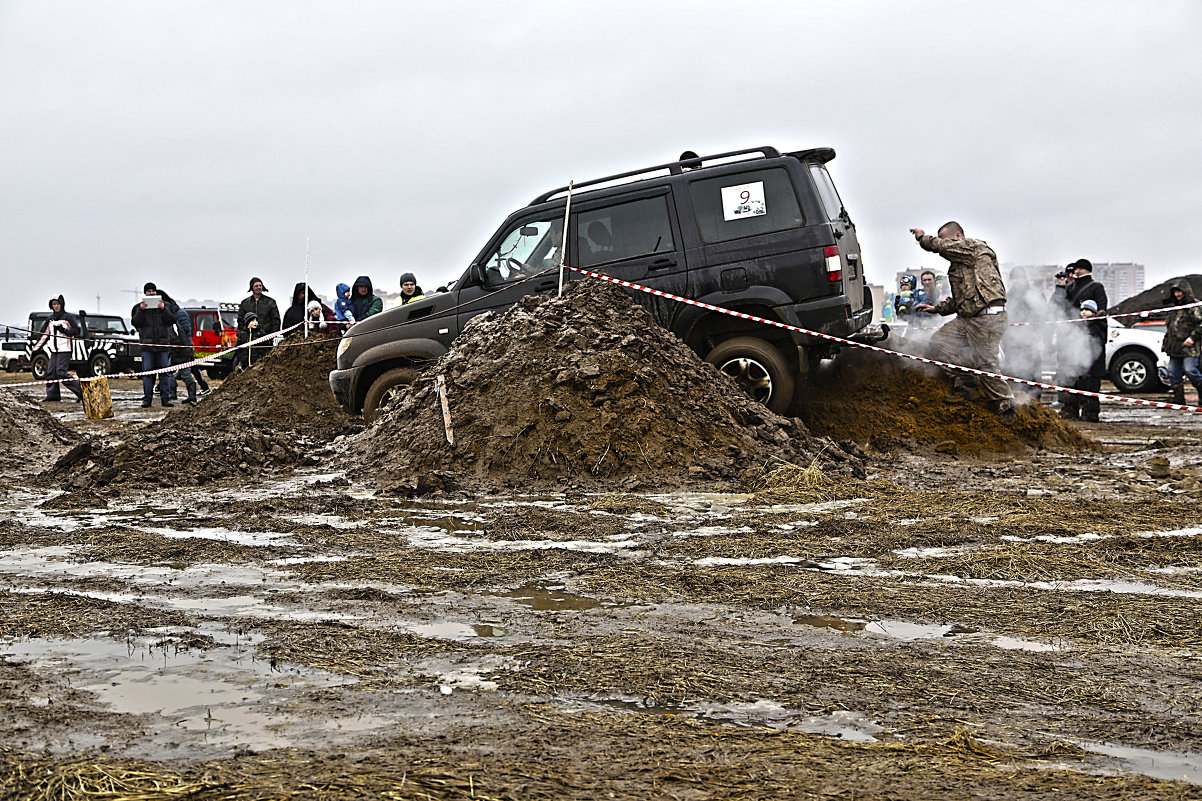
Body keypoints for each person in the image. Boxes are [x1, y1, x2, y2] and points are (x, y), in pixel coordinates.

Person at [910, 221, 1016, 422]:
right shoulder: (959, 267)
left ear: (958, 236)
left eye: (946, 240)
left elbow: (943, 247)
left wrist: (923, 239)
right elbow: (960, 300)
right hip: (968, 319)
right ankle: (967, 384)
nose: (944, 246)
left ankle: (1005, 406)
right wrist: (937, 309)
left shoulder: (975, 247)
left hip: (987, 318)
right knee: (939, 343)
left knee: (986, 364)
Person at [1053, 259, 1108, 421]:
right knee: (1070, 378)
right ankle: (1069, 410)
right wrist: (1060, 286)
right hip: (1070, 340)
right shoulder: (1069, 288)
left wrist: (1090, 319)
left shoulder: (1096, 288)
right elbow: (1056, 306)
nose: (1077, 272)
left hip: (1091, 341)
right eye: (1075, 269)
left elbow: (1102, 312)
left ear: (1087, 270)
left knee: (1089, 379)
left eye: (1080, 269)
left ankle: (1090, 413)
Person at [1002, 266, 1051, 399]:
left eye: (1019, 278)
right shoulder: (1006, 298)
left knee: (1033, 373)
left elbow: (1044, 317)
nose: (1017, 281)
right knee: (1012, 373)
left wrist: (1037, 336)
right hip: (1011, 343)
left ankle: (1035, 401)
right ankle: (1015, 401)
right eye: (1014, 279)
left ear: (1025, 279)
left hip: (1030, 343)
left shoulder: (1034, 296)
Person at [131, 282, 179, 407]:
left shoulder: (166, 306)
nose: (151, 293)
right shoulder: (138, 308)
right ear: (145, 293)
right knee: (147, 374)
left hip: (162, 345)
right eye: (149, 291)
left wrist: (163, 309)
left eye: (153, 291)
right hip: (147, 347)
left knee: (164, 373)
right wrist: (141, 310)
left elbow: (172, 320)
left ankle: (165, 399)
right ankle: (147, 399)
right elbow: (135, 322)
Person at [34, 295, 84, 403]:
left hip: (65, 349)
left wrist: (63, 330)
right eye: (54, 304)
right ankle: (52, 395)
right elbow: (44, 334)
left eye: (58, 304)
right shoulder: (50, 319)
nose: (56, 306)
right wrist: (36, 348)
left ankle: (82, 392)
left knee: (61, 372)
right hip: (54, 350)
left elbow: (76, 331)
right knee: (51, 372)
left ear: (62, 305)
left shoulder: (68, 317)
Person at [1161, 279, 1202, 405]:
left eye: (1179, 291)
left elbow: (1200, 324)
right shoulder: (1174, 308)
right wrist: (1165, 342)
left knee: (1190, 370)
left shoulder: (1193, 307)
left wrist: (1192, 338)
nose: (1177, 294)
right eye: (1175, 292)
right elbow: (1170, 328)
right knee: (1173, 373)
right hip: (1174, 347)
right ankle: (1178, 400)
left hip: (1189, 347)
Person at [236, 277, 280, 369]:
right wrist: (240, 334)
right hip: (249, 339)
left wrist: (271, 335)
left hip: (265, 338)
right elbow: (240, 320)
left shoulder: (270, 302)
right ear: (252, 287)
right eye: (256, 286)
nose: (259, 287)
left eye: (260, 285)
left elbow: (276, 320)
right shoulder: (245, 303)